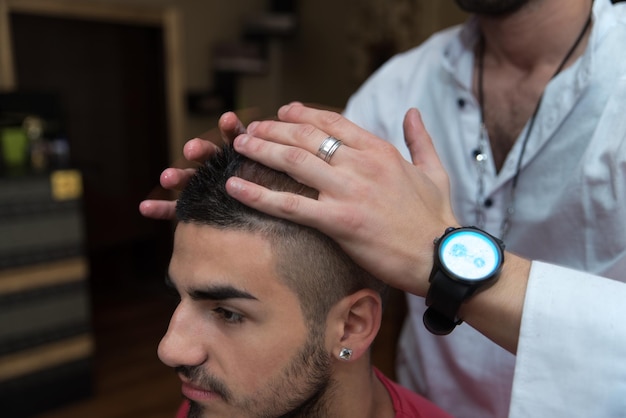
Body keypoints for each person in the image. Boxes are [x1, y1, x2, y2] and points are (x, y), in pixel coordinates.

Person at [140, 0, 626, 416]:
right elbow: (313, 216)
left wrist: (440, 259)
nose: (171, 349)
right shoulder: (401, 83)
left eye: (226, 313)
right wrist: (234, 186)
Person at [160, 143, 453, 418]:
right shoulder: (208, 403)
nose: (171, 350)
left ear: (352, 325)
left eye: (228, 313)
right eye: (179, 297)